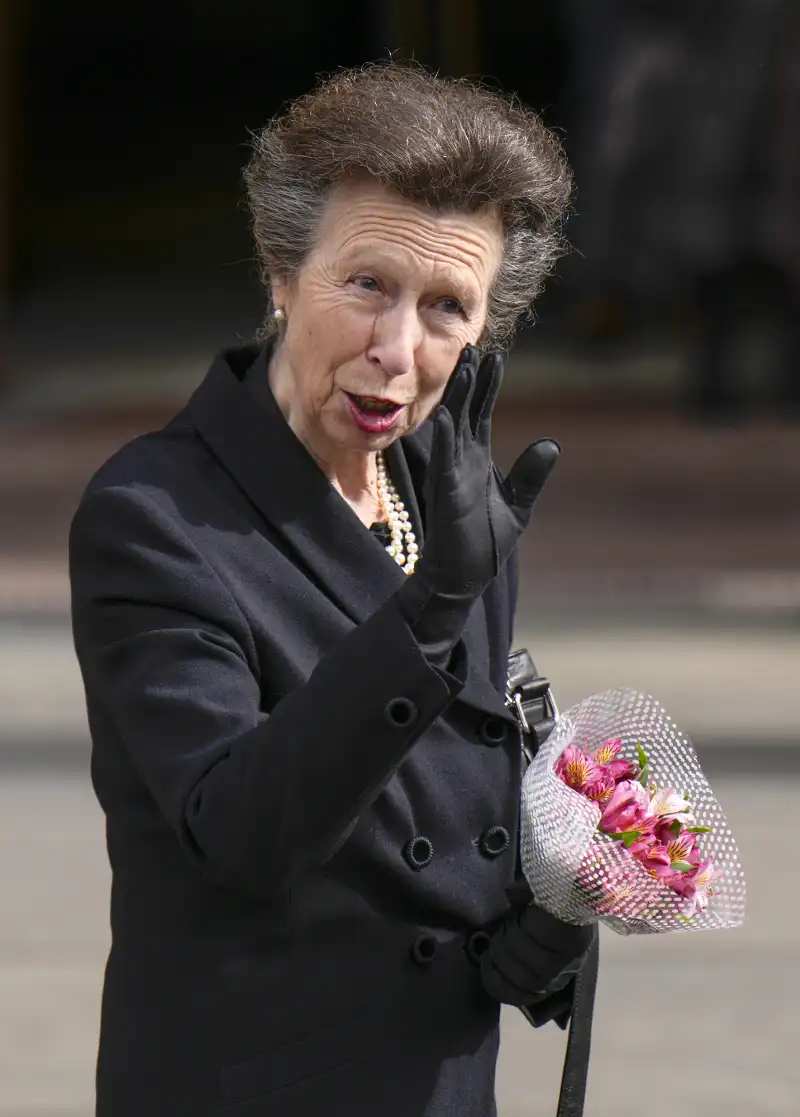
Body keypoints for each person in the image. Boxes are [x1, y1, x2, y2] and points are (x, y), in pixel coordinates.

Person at [69, 62, 593, 1117]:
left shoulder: (447, 493)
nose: (396, 351)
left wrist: (541, 915)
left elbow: (434, 815)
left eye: (447, 307)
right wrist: (430, 611)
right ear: (278, 270)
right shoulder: (155, 517)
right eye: (366, 286)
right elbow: (244, 831)